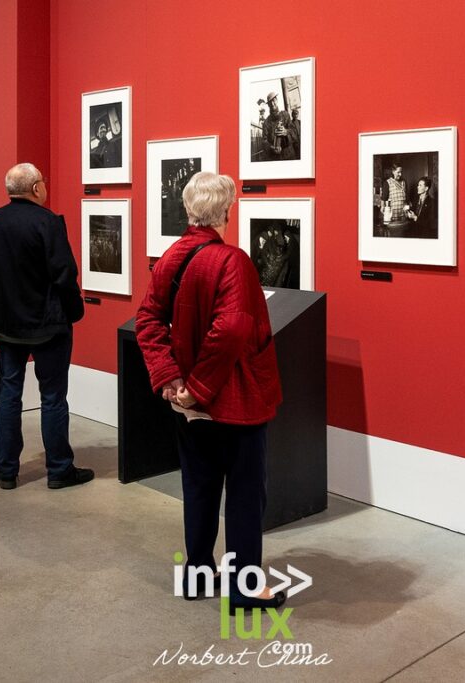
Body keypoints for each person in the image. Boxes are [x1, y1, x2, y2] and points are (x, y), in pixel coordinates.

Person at [136, 171, 285, 610]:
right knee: (244, 492)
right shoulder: (232, 261)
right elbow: (232, 329)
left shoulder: (171, 257)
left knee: (199, 487)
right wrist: (198, 387)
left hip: (189, 404)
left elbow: (147, 320)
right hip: (234, 400)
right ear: (226, 211)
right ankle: (244, 586)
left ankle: (198, 574)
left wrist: (173, 380)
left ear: (188, 208)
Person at [0, 163, 92, 492]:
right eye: (43, 183)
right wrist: (74, 310)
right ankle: (59, 469)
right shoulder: (47, 223)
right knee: (53, 397)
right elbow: (64, 273)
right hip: (48, 325)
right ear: (36, 188)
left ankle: (6, 470)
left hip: (7, 327)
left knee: (9, 395)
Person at [261, 92, 298, 161]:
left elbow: (294, 132)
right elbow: (264, 141)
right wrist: (271, 148)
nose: (272, 104)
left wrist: (286, 132)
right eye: (270, 103)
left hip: (289, 154)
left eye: (274, 100)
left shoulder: (285, 115)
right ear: (268, 105)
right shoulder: (266, 122)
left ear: (277, 100)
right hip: (276, 158)